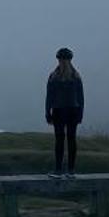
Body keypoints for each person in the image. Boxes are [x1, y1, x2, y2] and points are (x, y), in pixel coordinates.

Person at [44, 47, 84, 175]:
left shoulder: (56, 76)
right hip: (67, 110)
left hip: (63, 111)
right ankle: (65, 169)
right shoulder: (73, 76)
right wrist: (47, 112)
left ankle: (63, 169)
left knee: (64, 139)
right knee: (66, 139)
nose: (62, 62)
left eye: (62, 60)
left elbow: (49, 96)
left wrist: (47, 112)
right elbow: (80, 98)